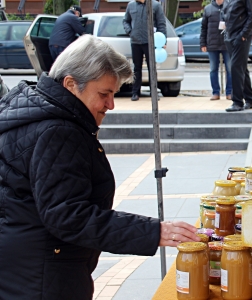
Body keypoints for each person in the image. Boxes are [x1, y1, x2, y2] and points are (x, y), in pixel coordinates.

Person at [0, 35, 200, 299]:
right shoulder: (58, 131)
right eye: (104, 94)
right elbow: (69, 216)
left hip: (23, 265)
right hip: (42, 276)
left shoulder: (33, 110)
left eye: (114, 94)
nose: (111, 104)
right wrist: (154, 232)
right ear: (71, 85)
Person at [123, 0, 167, 101]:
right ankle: (135, 93)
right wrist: (130, 31)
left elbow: (161, 24)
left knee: (152, 68)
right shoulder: (131, 5)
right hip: (136, 42)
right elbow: (126, 21)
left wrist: (163, 41)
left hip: (150, 42)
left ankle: (154, 92)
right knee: (136, 68)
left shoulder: (155, 5)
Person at [221, 0, 252, 112]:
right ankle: (250, 99)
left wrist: (243, 34)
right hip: (230, 36)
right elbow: (225, 14)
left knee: (235, 67)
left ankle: (237, 102)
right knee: (241, 67)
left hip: (241, 36)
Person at [200, 0, 232, 101]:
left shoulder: (229, 6)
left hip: (227, 43)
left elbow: (234, 23)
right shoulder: (208, 8)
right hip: (212, 44)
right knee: (213, 69)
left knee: (230, 69)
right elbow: (203, 27)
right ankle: (215, 92)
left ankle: (230, 92)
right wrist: (203, 43)